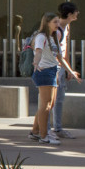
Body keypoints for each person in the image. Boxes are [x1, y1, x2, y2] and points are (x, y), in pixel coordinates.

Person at [48, 1, 80, 139]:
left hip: (60, 66)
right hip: (54, 66)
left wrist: (68, 68)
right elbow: (54, 52)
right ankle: (47, 129)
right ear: (70, 14)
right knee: (51, 99)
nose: (78, 14)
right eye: (76, 12)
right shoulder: (57, 28)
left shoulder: (66, 27)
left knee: (59, 98)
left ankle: (57, 127)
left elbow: (64, 49)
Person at [29, 12, 61, 145]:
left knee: (49, 104)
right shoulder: (41, 36)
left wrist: (70, 71)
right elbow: (38, 51)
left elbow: (58, 56)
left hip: (53, 70)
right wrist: (36, 63)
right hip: (45, 71)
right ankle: (44, 135)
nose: (58, 24)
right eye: (55, 22)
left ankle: (36, 131)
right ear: (47, 22)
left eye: (58, 21)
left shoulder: (53, 36)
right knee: (46, 105)